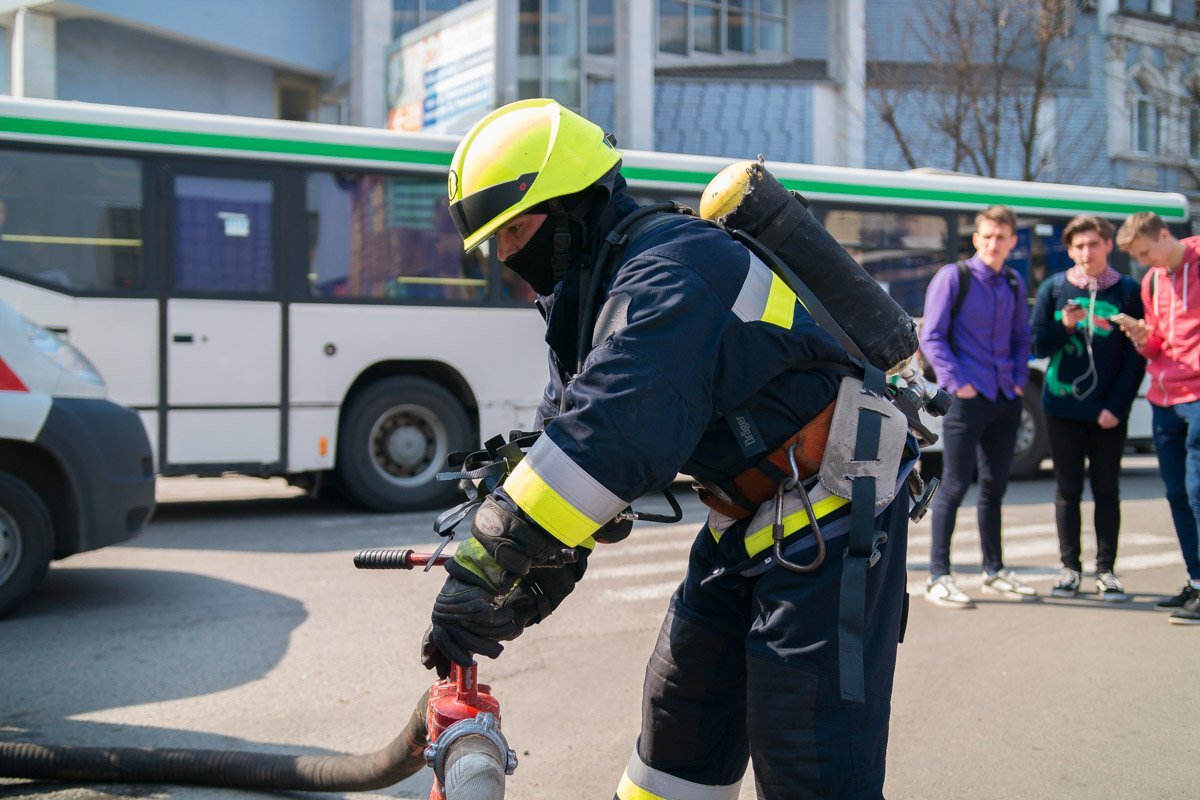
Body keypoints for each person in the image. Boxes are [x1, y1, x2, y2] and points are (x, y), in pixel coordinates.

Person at [420, 98, 915, 798]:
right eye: (495, 243)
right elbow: (560, 448)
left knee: (807, 750)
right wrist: (527, 582)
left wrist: (482, 565)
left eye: (517, 232)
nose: (507, 256)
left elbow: (611, 434)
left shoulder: (676, 269)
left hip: (831, 513)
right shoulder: (587, 299)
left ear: (573, 209)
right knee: (679, 724)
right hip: (747, 521)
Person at [918, 205, 1035, 608]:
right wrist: (956, 383)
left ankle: (994, 569)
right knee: (953, 485)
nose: (993, 243)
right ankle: (939, 575)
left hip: (1005, 398)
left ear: (1012, 241)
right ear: (976, 238)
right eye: (986, 236)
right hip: (968, 400)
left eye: (1001, 237)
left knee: (994, 488)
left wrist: (1019, 382)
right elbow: (931, 335)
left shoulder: (1015, 283)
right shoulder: (955, 277)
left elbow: (1023, 336)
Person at [1030, 215, 1144, 601]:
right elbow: (1037, 346)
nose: (1086, 252)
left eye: (1093, 244)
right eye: (1079, 246)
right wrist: (1064, 325)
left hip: (1109, 412)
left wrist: (1117, 406)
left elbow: (1136, 356)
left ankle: (1107, 570)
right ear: (1069, 250)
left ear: (1108, 245)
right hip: (1062, 408)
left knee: (1107, 489)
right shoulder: (1055, 287)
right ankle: (1070, 568)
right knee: (1067, 490)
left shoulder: (1127, 290)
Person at [1115, 211, 1200, 626]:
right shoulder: (1153, 281)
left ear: (1165, 234)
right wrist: (1143, 338)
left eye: (1147, 252)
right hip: (1165, 398)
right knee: (1178, 495)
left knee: (1197, 491)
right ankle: (1196, 581)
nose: (1145, 263)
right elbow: (1158, 345)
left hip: (1198, 395)